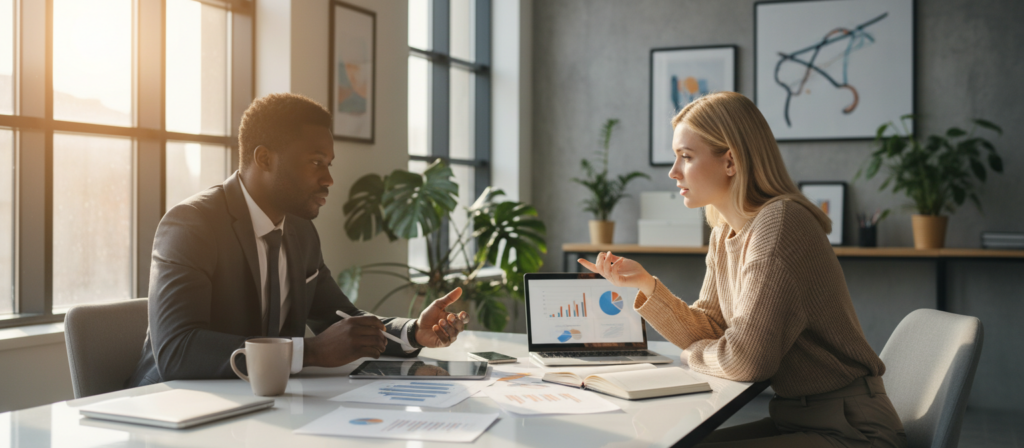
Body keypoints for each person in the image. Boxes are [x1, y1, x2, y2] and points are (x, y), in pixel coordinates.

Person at [579, 92, 907, 447]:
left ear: (730, 161)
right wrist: (645, 286)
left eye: (686, 157)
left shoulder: (780, 224)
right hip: (797, 419)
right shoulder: (725, 232)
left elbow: (747, 361)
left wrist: (690, 355)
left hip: (853, 431)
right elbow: (711, 327)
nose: (673, 172)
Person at [129, 93, 468, 387]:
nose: (329, 179)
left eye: (329, 164)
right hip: (172, 408)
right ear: (264, 159)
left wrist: (412, 332)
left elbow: (340, 318)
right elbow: (178, 351)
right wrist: (311, 352)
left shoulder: (300, 232)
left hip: (261, 405)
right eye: (316, 163)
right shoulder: (192, 225)